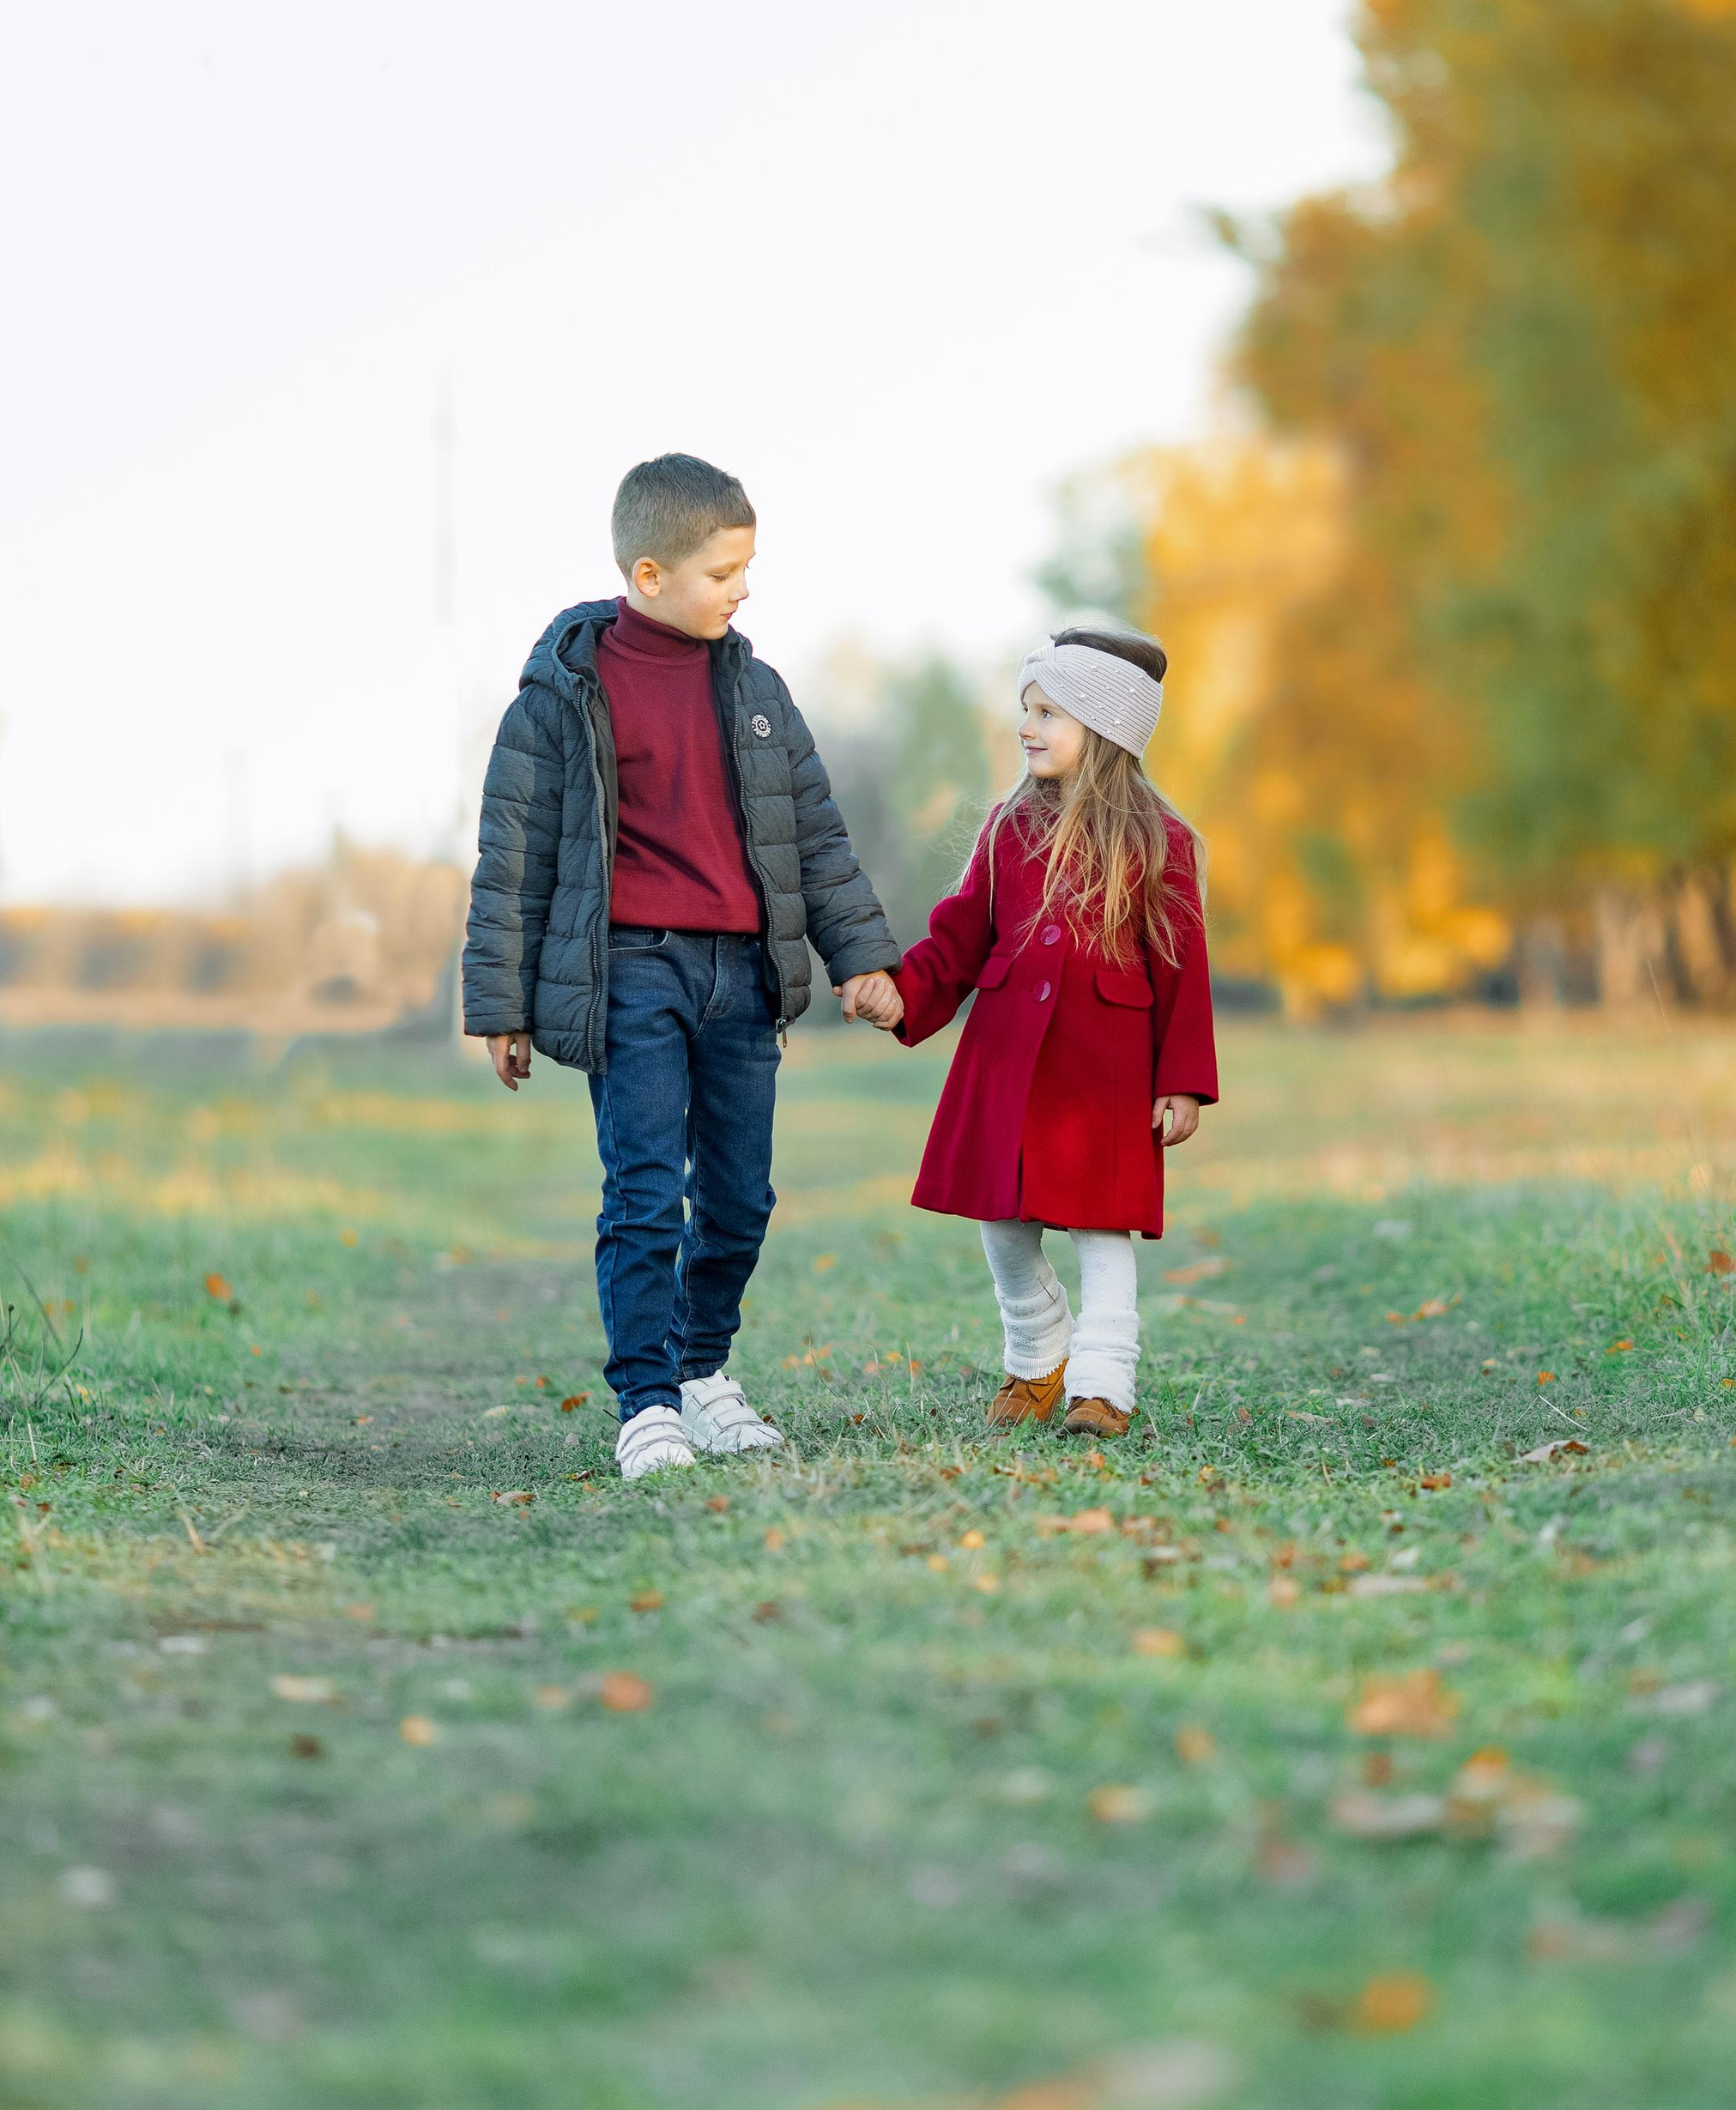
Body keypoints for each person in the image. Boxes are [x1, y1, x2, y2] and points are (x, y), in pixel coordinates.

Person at [460, 453, 902, 1480]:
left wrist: (862, 958)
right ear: (649, 575)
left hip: (743, 980)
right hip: (631, 976)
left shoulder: (756, 691)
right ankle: (647, 1402)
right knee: (647, 1194)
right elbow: (513, 858)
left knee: (741, 1200)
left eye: (746, 569)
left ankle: (702, 1371)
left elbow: (815, 839)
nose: (743, 590)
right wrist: (501, 1004)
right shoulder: (559, 699)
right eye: (722, 573)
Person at [846, 627, 1217, 1435]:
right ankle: (1038, 1355)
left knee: (1100, 1227)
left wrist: (1182, 1081)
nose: (1026, 727)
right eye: (1027, 709)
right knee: (1002, 1221)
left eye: (1048, 712)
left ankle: (1103, 1384)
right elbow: (958, 938)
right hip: (1007, 1058)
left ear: (1106, 725)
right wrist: (902, 995)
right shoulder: (1008, 826)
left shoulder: (1159, 841)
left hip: (1105, 1068)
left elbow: (1181, 969)